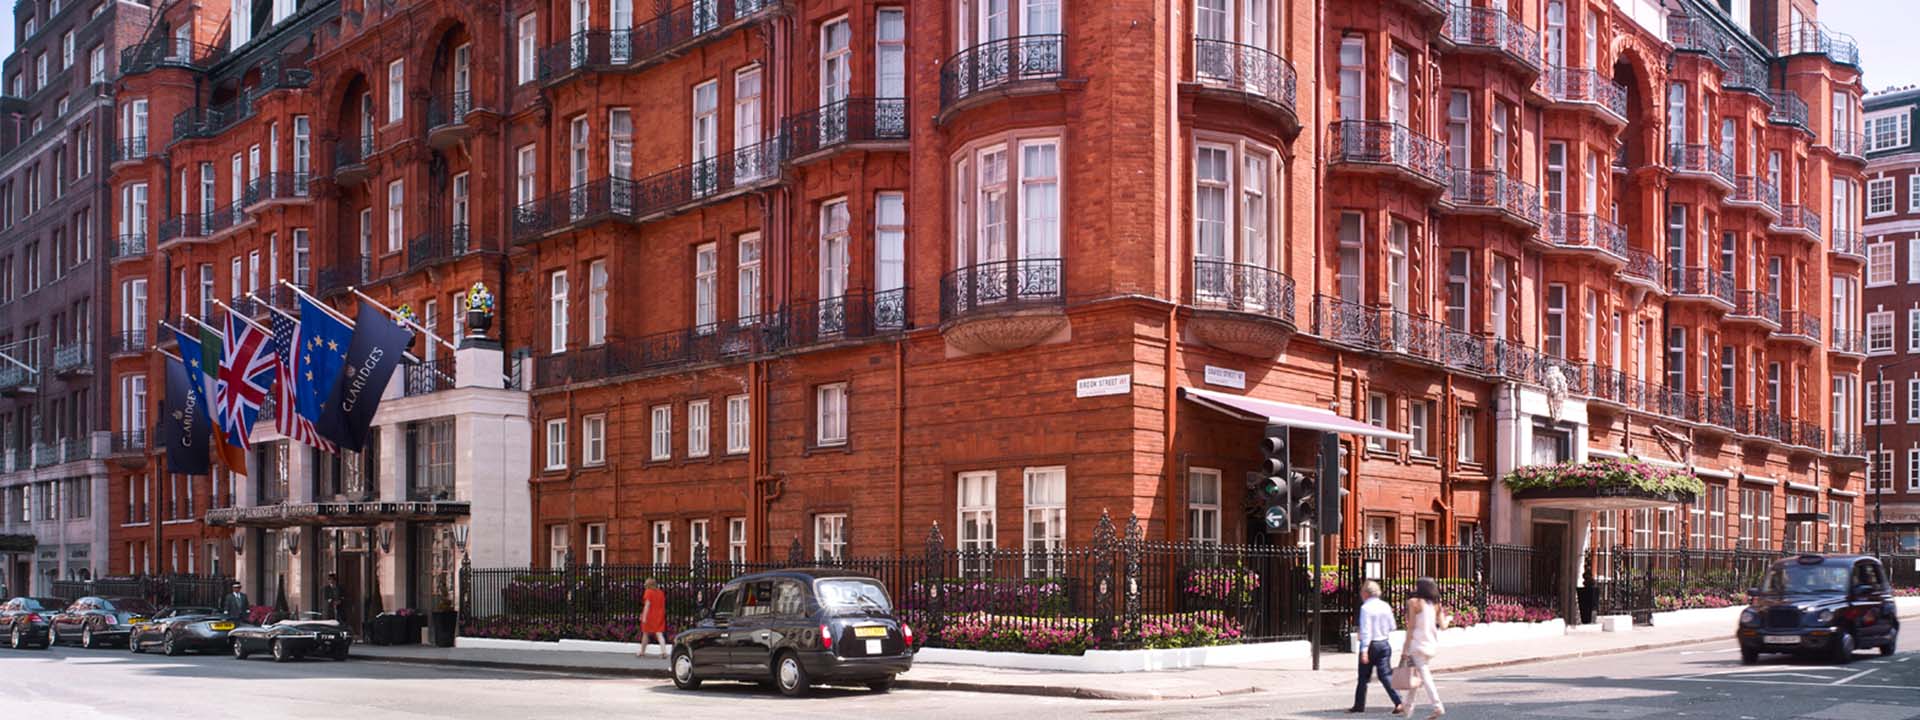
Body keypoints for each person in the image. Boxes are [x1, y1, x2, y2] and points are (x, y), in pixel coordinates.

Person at [1398, 577, 1451, 719]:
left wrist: (1405, 648)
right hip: (1431, 644)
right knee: (1416, 676)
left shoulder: (1414, 603)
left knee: (1424, 675)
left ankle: (1437, 705)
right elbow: (1444, 626)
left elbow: (1411, 627)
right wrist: (1450, 619)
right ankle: (1407, 709)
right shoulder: (1436, 605)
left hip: (1417, 645)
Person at [1350, 580, 1404, 714]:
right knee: (1385, 675)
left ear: (1366, 593)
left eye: (1362, 592)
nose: (1361, 595)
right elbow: (1393, 626)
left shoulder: (1366, 608)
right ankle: (1399, 701)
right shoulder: (1385, 606)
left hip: (1371, 645)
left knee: (1363, 677)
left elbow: (1366, 630)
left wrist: (1364, 650)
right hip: (1384, 643)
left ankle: (1359, 705)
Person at [636, 578, 669, 659]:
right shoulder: (660, 592)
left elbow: (647, 604)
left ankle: (642, 651)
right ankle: (664, 651)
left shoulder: (648, 592)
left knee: (645, 633)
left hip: (650, 616)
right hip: (659, 615)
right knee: (659, 633)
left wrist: (644, 616)